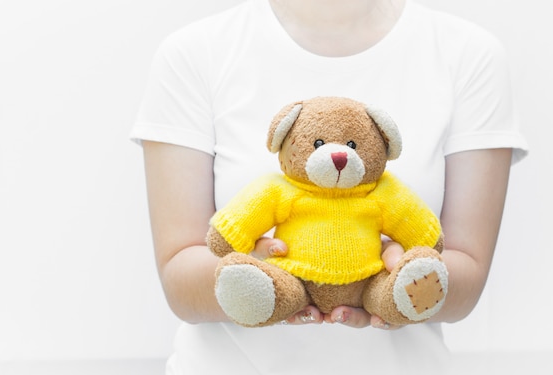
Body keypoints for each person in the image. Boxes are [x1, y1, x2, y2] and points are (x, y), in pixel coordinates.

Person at [132, 0, 528, 373]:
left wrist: (379, 275)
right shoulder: (194, 52)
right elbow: (180, 276)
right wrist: (290, 271)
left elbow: (466, 277)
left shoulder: (469, 54)